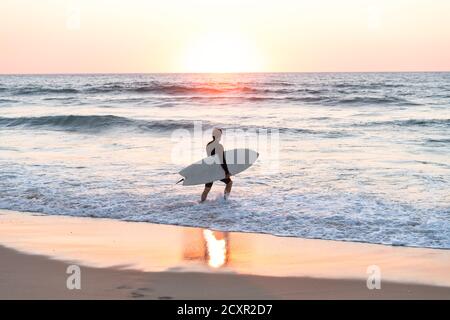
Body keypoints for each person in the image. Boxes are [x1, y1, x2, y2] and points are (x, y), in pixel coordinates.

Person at [201, 128, 232, 202]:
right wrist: (226, 172)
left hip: (210, 169)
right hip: (217, 170)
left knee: (207, 189)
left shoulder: (208, 144)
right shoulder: (219, 146)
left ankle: (202, 203)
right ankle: (225, 200)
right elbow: (222, 160)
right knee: (229, 182)